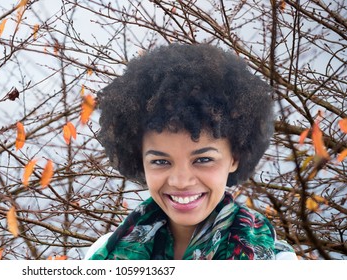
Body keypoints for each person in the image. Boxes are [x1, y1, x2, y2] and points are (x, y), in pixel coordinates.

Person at [86, 43, 296, 260]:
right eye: (160, 161)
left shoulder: (278, 263)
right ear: (139, 159)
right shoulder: (104, 253)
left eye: (203, 159)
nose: (181, 181)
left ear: (235, 157)